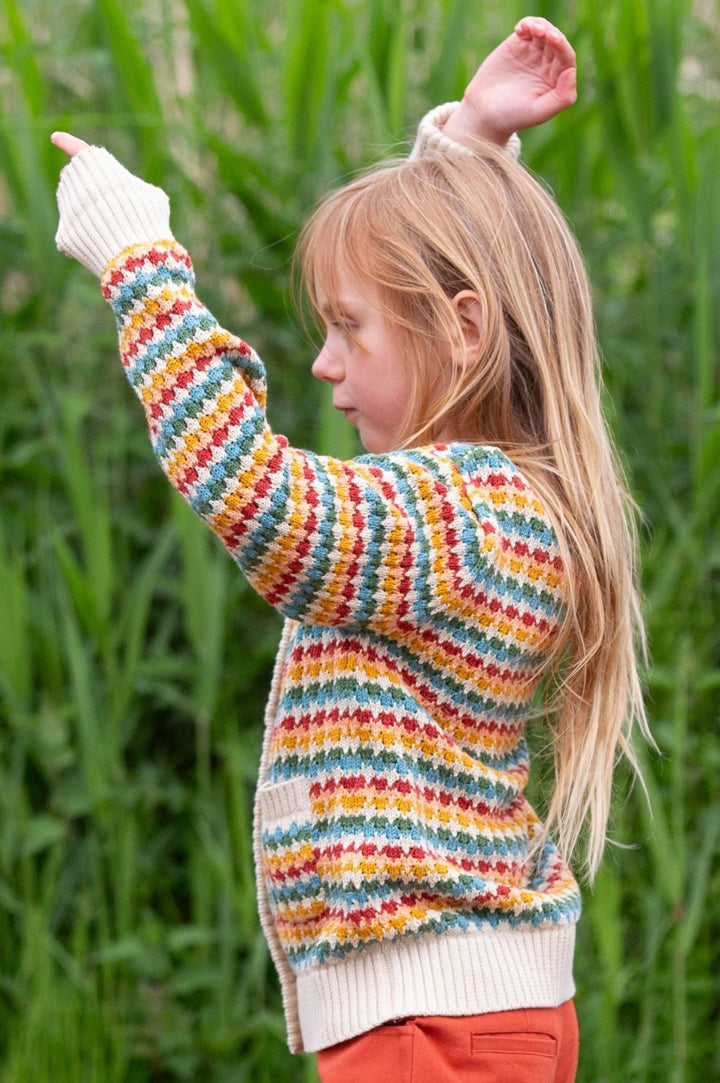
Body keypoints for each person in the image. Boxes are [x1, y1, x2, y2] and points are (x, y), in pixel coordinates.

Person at [51, 16, 649, 1083]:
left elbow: (255, 493)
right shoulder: (486, 503)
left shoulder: (465, 512)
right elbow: (453, 280)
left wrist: (140, 265)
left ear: (463, 331)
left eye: (350, 328)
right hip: (458, 1017)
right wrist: (466, 146)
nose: (324, 364)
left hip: (434, 1033)